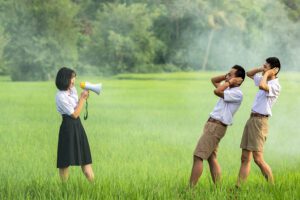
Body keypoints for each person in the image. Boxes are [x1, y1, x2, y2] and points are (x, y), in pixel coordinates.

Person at [189, 65, 245, 187]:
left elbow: (217, 91)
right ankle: (218, 188)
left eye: (231, 74)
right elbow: (214, 80)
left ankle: (190, 189)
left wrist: (229, 82)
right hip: (213, 125)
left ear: (238, 79)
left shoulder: (237, 93)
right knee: (211, 158)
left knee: (198, 156)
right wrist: (228, 77)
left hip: (215, 126)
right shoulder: (229, 89)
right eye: (227, 74)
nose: (227, 76)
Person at [236, 57, 281, 187]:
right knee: (245, 158)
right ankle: (238, 188)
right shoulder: (264, 78)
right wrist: (262, 69)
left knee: (258, 158)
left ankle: (272, 187)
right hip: (252, 119)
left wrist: (267, 73)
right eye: (264, 66)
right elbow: (249, 74)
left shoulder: (275, 85)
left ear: (275, 70)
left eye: (266, 66)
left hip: (260, 121)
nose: (263, 68)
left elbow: (262, 85)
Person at [55, 67, 94, 182]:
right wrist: (82, 98)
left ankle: (95, 188)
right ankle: (64, 190)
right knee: (64, 162)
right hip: (67, 128)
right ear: (64, 79)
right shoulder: (60, 96)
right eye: (71, 78)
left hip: (78, 127)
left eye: (74, 78)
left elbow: (78, 107)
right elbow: (75, 114)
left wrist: (83, 98)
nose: (74, 80)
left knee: (86, 160)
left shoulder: (73, 91)